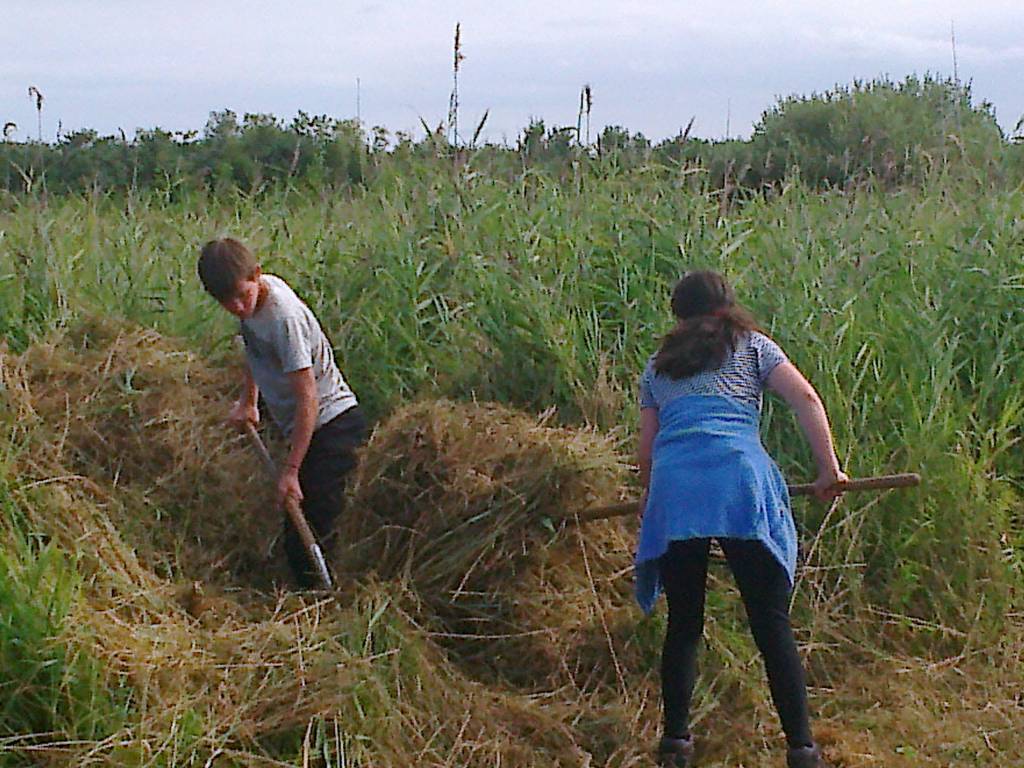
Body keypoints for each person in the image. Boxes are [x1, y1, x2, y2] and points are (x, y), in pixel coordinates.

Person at [634, 271, 845, 768]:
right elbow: (806, 399)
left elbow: (646, 452)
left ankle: (675, 746)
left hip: (678, 490)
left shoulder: (657, 367)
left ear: (679, 316)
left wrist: (650, 499)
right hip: (739, 484)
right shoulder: (753, 347)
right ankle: (801, 749)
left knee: (684, 622)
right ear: (727, 306)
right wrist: (827, 469)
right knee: (770, 622)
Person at [197, 237, 366, 588]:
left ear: (257, 275)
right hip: (306, 425)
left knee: (309, 530)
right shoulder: (250, 303)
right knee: (300, 528)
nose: (239, 307)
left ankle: (324, 604)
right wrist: (248, 401)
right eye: (228, 303)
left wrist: (291, 470)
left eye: (243, 296)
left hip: (332, 425)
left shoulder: (282, 318)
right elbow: (253, 350)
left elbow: (308, 398)